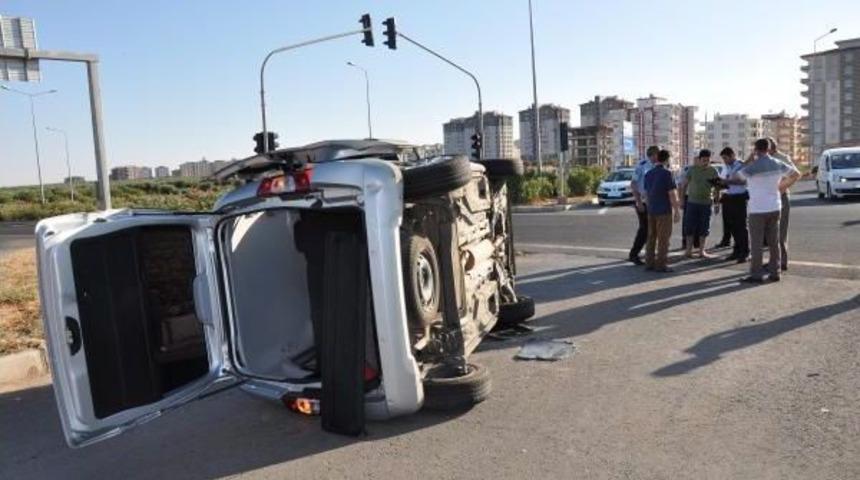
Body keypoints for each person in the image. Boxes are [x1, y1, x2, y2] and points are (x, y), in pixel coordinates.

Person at [732, 138, 801, 283]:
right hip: (775, 207)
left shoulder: (753, 166)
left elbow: (736, 176)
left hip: (757, 209)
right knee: (774, 242)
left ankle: (756, 274)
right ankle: (775, 272)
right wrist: (782, 187)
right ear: (769, 149)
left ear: (756, 149)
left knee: (756, 243)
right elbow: (796, 174)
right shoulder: (777, 163)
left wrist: (750, 158)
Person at [643, 149, 681, 272]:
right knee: (663, 239)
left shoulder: (648, 173)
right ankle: (661, 264)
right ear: (667, 159)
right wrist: (677, 211)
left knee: (651, 237)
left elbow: (646, 194)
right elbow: (672, 193)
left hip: (651, 209)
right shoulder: (667, 173)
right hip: (664, 210)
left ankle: (649, 262)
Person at [679, 149, 720, 259]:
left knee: (704, 227)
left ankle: (702, 251)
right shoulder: (692, 170)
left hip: (706, 203)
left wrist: (717, 203)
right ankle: (688, 251)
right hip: (692, 203)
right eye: (704, 160)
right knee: (689, 227)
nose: (706, 162)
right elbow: (684, 186)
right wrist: (682, 200)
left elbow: (717, 188)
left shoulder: (713, 171)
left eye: (708, 160)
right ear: (699, 159)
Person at [767, 137, 795, 272]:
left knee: (781, 232)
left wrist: (780, 188)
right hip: (769, 198)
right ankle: (774, 261)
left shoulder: (782, 158)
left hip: (781, 197)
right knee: (771, 232)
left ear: (772, 147)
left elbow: (794, 174)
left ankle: (782, 262)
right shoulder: (765, 160)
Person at [629, 145, 660, 265]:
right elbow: (633, 184)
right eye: (657, 155)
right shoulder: (641, 166)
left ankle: (650, 253)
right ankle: (634, 254)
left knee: (653, 229)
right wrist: (638, 202)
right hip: (643, 202)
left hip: (654, 202)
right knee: (644, 229)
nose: (658, 157)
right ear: (652, 155)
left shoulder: (657, 166)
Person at [718, 147, 750, 263]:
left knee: (741, 226)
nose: (724, 161)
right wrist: (719, 183)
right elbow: (726, 180)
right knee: (732, 226)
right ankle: (736, 251)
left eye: (726, 158)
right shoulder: (727, 167)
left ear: (732, 155)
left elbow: (744, 181)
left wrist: (727, 182)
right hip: (729, 197)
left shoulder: (741, 165)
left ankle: (745, 252)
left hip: (739, 197)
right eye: (723, 159)